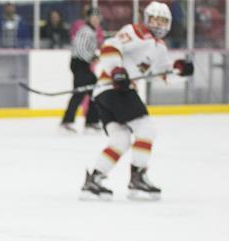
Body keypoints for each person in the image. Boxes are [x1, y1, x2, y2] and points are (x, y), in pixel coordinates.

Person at [79, 1, 193, 201]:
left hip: (106, 94)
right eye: (155, 20)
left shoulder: (159, 48)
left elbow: (162, 75)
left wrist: (180, 71)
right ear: (146, 19)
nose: (158, 24)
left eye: (162, 21)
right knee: (146, 129)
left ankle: (93, 180)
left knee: (120, 139)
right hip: (114, 89)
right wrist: (116, 70)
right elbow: (110, 46)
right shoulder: (136, 32)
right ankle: (138, 178)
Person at [60, 8, 102, 133]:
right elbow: (79, 48)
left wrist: (92, 57)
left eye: (97, 17)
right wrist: (92, 57)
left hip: (82, 65)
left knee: (95, 91)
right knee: (80, 93)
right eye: (93, 17)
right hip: (79, 64)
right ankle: (67, 122)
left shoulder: (90, 31)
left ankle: (91, 121)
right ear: (88, 18)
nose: (96, 20)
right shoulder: (85, 31)